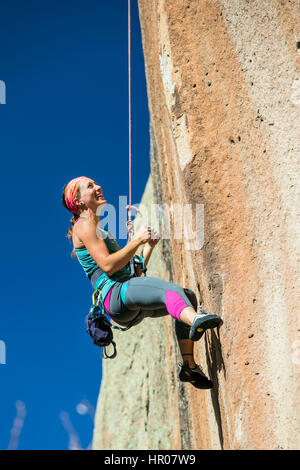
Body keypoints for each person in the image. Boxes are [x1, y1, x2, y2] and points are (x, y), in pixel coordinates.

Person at [62, 176, 223, 389]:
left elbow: (134, 274)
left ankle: (189, 367)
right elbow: (109, 266)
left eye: (96, 183)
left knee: (187, 297)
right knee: (172, 292)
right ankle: (195, 321)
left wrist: (148, 246)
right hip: (116, 294)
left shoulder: (100, 230)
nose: (98, 187)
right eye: (90, 186)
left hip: (124, 302)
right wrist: (137, 239)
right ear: (79, 201)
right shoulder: (83, 226)